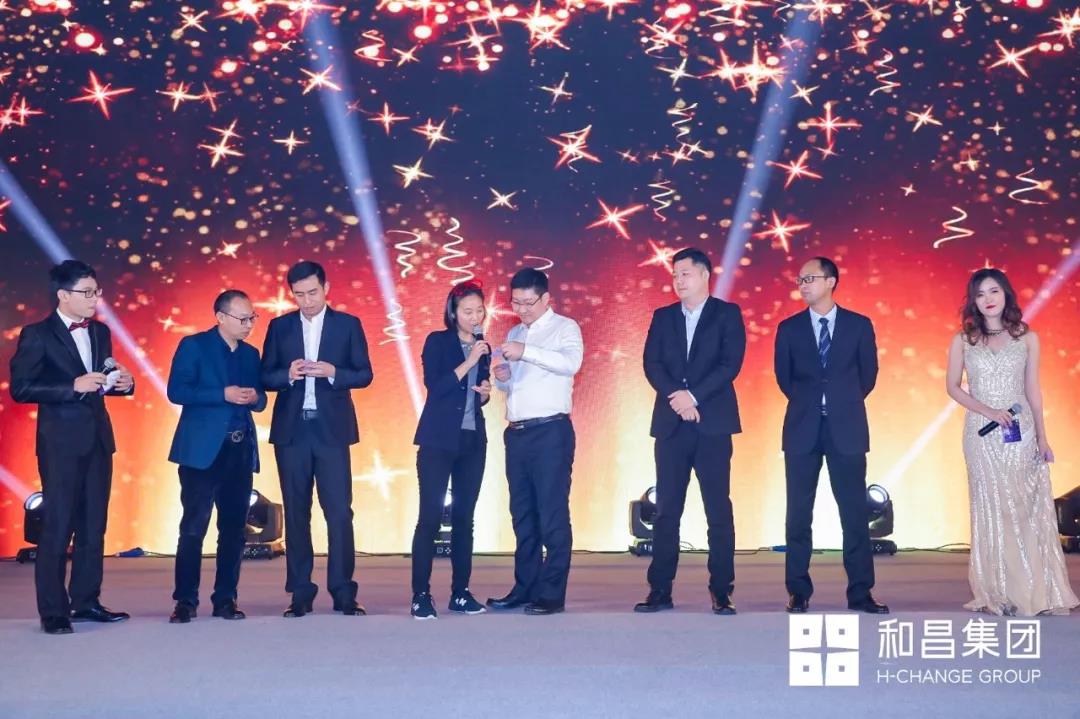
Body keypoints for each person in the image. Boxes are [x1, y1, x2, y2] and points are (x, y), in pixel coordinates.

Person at [9, 260, 135, 635]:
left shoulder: (100, 332)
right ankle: (53, 611)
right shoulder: (37, 334)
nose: (95, 299)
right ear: (63, 295)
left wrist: (122, 383)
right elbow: (21, 388)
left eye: (97, 292)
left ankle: (86, 601)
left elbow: (102, 380)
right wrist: (71, 387)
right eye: (87, 293)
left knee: (94, 525)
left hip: (98, 439)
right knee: (58, 525)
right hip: (60, 444)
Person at [945, 268, 1078, 616]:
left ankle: (1034, 590)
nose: (988, 299)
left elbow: (1033, 390)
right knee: (990, 507)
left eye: (994, 291)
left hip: (1020, 432)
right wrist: (989, 411)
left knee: (1022, 507)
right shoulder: (964, 340)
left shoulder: (1027, 338)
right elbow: (952, 387)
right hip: (980, 433)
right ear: (973, 302)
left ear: (1006, 294)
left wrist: (1043, 438)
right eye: (980, 294)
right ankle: (998, 590)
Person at [774, 257, 888, 614]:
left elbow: (867, 376)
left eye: (810, 278)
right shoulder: (789, 328)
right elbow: (784, 378)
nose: (803, 285)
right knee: (798, 514)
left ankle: (860, 592)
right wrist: (813, 403)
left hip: (847, 428)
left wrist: (840, 401)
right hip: (802, 428)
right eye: (800, 280)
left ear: (831, 281)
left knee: (854, 514)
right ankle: (798, 590)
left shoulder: (858, 325)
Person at [634, 248, 746, 615]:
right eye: (675, 275)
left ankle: (721, 590)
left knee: (718, 509)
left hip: (712, 425)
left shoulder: (727, 314)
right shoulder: (663, 316)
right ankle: (660, 589)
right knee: (666, 510)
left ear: (704, 275)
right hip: (671, 425)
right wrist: (678, 399)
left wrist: (693, 396)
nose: (678, 280)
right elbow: (652, 363)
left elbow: (730, 364)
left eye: (685, 273)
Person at [261, 261, 373, 617]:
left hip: (332, 431)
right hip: (292, 431)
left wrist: (333, 372)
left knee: (339, 512)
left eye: (312, 292)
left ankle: (343, 591)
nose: (306, 301)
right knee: (296, 512)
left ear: (326, 288)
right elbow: (265, 375)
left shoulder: (348, 324)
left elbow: (365, 374)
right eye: (299, 295)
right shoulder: (279, 327)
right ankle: (300, 592)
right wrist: (288, 374)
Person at [166, 290, 267, 623]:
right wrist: (222, 394)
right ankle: (185, 600)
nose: (249, 324)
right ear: (221, 317)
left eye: (252, 318)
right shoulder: (194, 346)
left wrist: (254, 398)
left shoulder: (251, 354)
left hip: (239, 449)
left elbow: (261, 398)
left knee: (234, 529)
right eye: (243, 318)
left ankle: (226, 598)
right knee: (193, 527)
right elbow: (177, 391)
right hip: (202, 452)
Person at [486, 268, 583, 616]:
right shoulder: (515, 332)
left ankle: (551, 593)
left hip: (550, 432)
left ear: (546, 299)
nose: (522, 310)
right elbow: (515, 385)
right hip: (517, 433)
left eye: (529, 303)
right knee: (523, 514)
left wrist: (526, 351)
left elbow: (571, 363)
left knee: (552, 512)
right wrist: (503, 378)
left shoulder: (565, 328)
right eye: (516, 303)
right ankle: (524, 586)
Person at [409, 281, 493, 619]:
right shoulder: (438, 342)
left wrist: (485, 392)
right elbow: (437, 386)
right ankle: (421, 594)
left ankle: (460, 592)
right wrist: (469, 360)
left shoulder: (484, 346)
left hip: (472, 441)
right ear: (453, 313)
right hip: (437, 441)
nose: (475, 317)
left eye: (479, 311)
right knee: (429, 518)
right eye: (467, 311)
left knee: (464, 518)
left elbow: (475, 395)